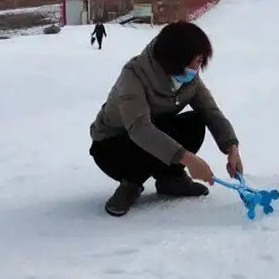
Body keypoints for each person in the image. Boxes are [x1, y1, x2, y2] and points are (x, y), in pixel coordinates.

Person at [88, 21, 245, 217]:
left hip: (152, 133)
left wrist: (232, 148)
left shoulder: (188, 78)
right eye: (197, 60)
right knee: (147, 137)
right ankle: (130, 184)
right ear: (177, 60)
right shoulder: (134, 77)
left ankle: (171, 179)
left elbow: (210, 110)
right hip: (114, 146)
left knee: (194, 123)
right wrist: (189, 160)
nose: (200, 65)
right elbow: (140, 130)